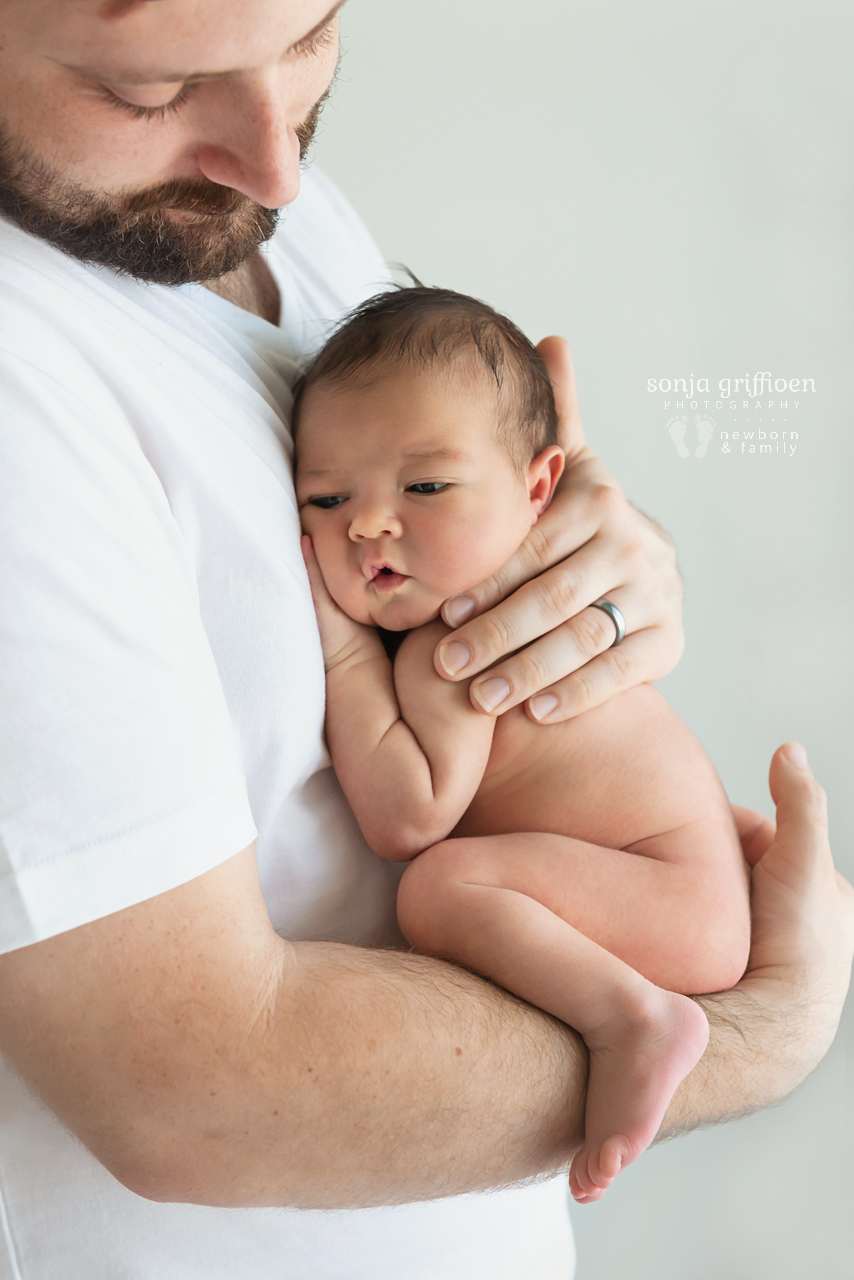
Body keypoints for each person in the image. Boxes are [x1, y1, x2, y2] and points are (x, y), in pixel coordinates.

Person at [0, 2, 850, 1278]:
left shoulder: (268, 211)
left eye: (307, 37)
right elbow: (192, 1090)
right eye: (148, 88)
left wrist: (600, 569)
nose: (279, 163)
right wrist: (765, 1032)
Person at [295, 285, 752, 1204]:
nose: (369, 524)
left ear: (541, 488)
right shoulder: (504, 606)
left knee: (438, 885)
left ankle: (636, 1021)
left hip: (671, 897)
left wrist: (343, 651)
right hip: (684, 885)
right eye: (327, 497)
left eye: (425, 486)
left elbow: (405, 818)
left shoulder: (456, 643)